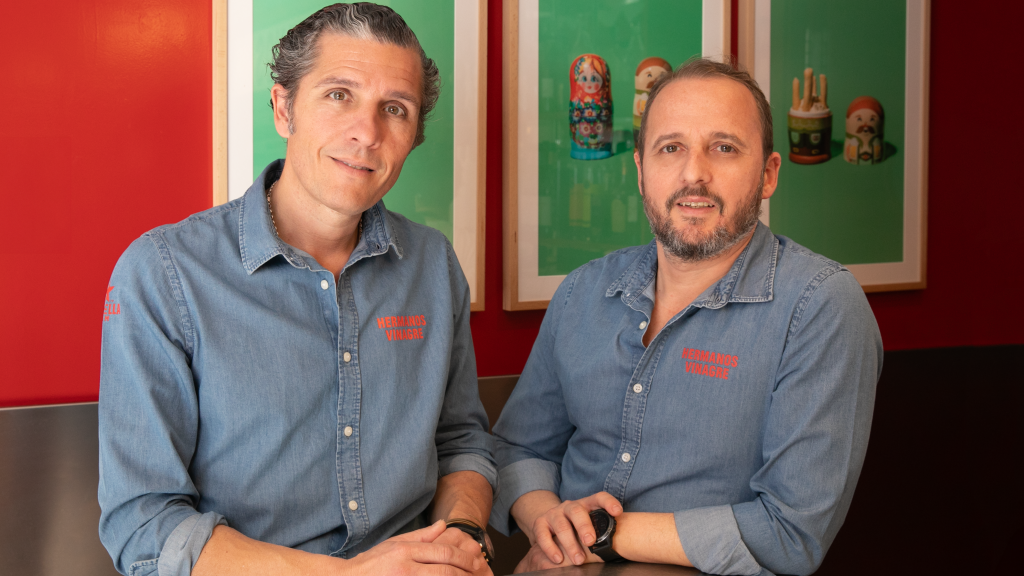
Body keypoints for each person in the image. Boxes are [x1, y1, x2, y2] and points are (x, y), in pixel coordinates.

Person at [98, 4, 495, 576]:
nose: (367, 132)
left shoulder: (431, 264)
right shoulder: (164, 274)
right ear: (284, 108)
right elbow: (144, 525)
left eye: (395, 109)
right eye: (339, 95)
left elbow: (461, 441)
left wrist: (460, 536)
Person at [490, 57, 882, 576]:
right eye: (670, 148)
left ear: (768, 174)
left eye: (723, 148)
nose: (694, 173)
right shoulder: (582, 291)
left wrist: (602, 534)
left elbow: (792, 531)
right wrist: (549, 522)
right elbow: (518, 447)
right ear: (640, 169)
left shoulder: (821, 306)